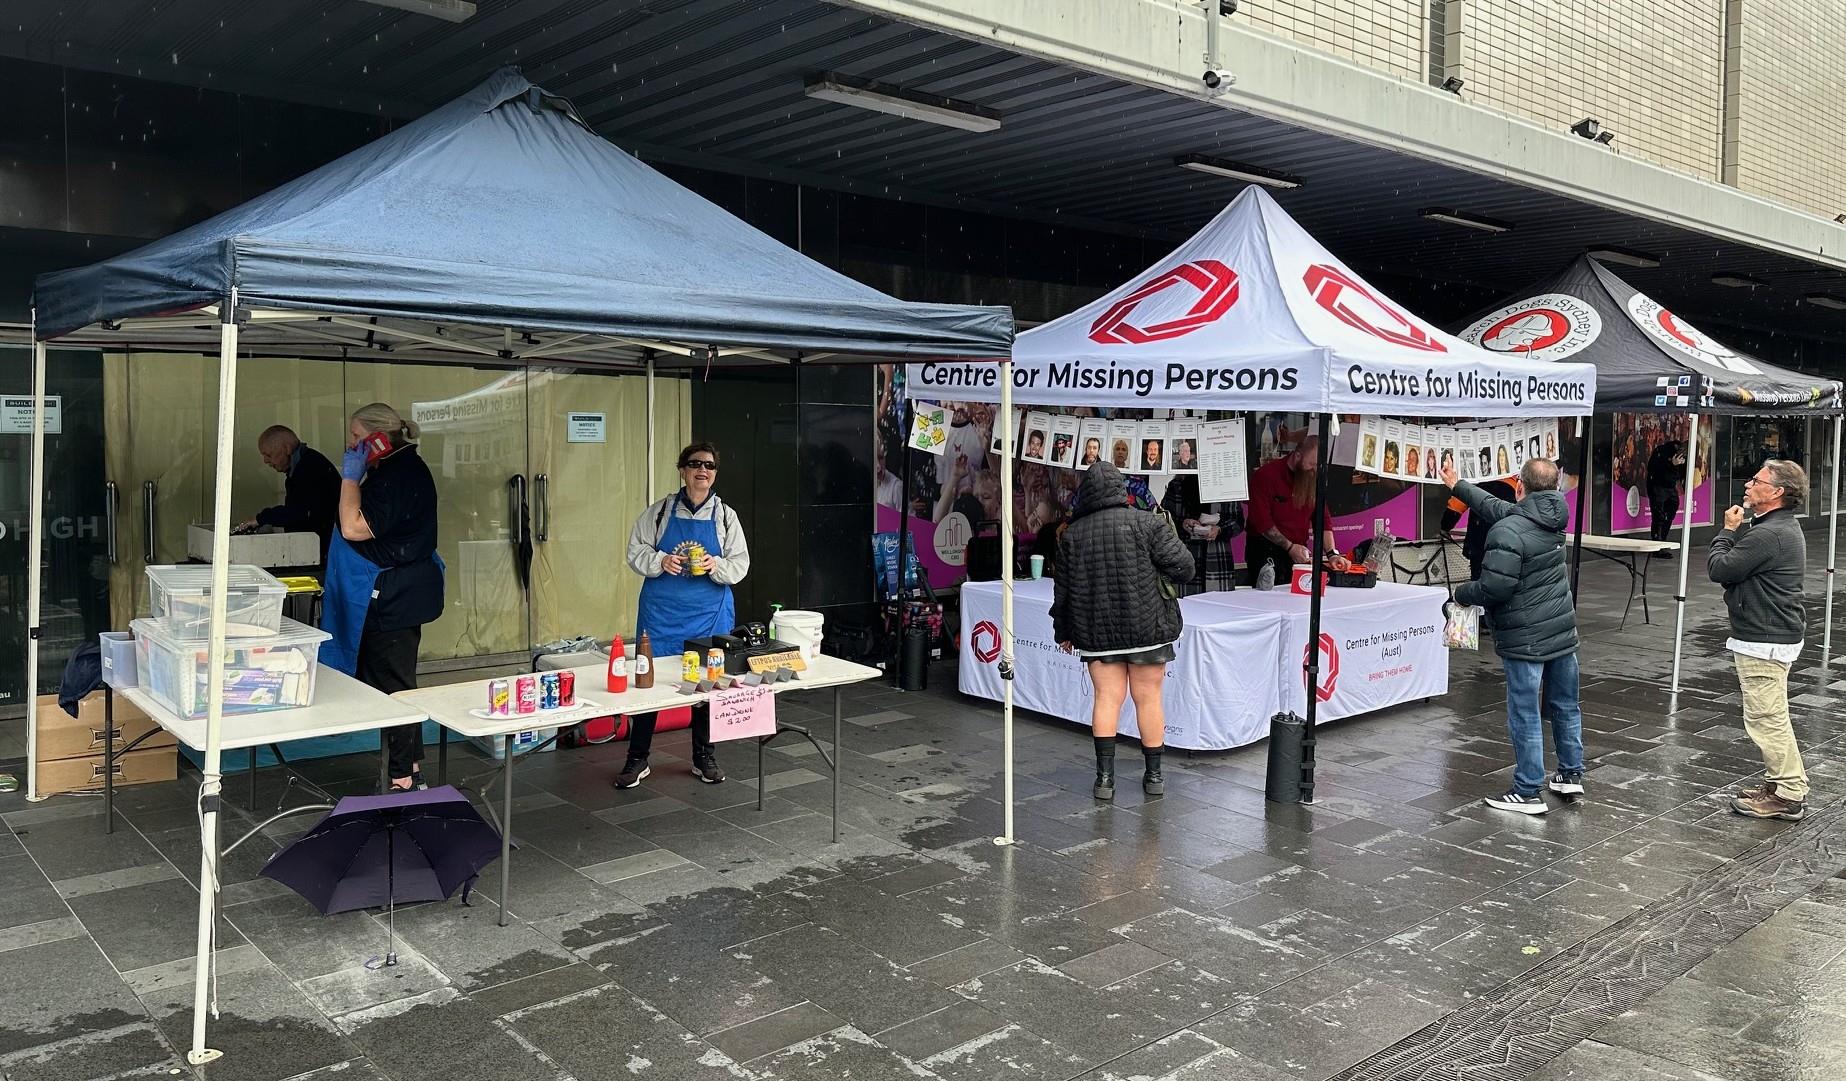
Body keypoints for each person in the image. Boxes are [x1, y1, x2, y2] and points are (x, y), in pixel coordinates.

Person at [1444, 456, 1583, 815]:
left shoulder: (1508, 530)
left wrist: (1462, 594)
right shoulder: (1554, 517)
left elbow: (1494, 587)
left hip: (1526, 637)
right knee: (1565, 705)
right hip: (1561, 631)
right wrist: (1458, 485)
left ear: (1520, 486)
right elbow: (1496, 506)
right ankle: (1570, 774)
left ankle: (1527, 791)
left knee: (1525, 712)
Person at [1050, 464, 1194, 801]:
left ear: (1086, 493)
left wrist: (1063, 632)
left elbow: (1063, 592)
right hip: (1149, 629)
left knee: (1106, 699)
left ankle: (1104, 780)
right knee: (1149, 698)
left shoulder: (1072, 535)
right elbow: (1185, 568)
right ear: (1121, 489)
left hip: (1097, 632)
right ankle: (1154, 776)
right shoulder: (1148, 524)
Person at [326, 404, 444, 792]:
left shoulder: (398, 475)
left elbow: (353, 527)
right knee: (395, 681)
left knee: (394, 687)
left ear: (379, 438)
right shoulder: (393, 470)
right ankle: (411, 764)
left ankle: (402, 779)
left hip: (394, 596)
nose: (351, 445)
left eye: (357, 437)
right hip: (395, 591)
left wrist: (349, 479)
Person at [618, 442, 750, 788]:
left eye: (709, 465)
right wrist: (660, 560)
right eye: (694, 464)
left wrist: (715, 564)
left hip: (709, 614)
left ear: (715, 473)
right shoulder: (659, 512)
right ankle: (637, 758)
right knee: (648, 682)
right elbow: (634, 551)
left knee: (707, 683)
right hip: (661, 614)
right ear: (682, 471)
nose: (702, 470)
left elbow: (740, 563)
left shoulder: (726, 516)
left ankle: (704, 757)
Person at [1709, 460, 1811, 821]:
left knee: (1767, 717)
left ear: (1777, 492)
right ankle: (1780, 783)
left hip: (1765, 636)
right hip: (1771, 632)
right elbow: (1734, 572)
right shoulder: (1775, 528)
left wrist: (1727, 531)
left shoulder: (1769, 533)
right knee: (1770, 713)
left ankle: (1789, 793)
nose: (1748, 485)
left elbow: (1720, 569)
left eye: (1757, 481)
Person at [1245, 436, 1339, 587]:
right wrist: (1289, 547)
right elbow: (1262, 522)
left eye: (1319, 465)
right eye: (1312, 464)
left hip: (1298, 551)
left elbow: (1322, 519)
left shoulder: (1313, 478)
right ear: (1297, 456)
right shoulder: (1266, 475)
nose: (1315, 470)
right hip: (1266, 551)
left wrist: (1332, 553)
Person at [240, 425, 341, 562]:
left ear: (287, 448)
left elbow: (299, 512)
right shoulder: (303, 465)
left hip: (323, 552)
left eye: (268, 455)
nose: (265, 461)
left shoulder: (310, 469)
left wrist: (261, 519)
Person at [1161, 472, 1243, 594]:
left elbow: (1238, 522)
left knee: (1218, 603)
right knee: (1185, 603)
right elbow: (1164, 520)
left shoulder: (1225, 484)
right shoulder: (1177, 485)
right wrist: (1183, 523)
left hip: (1217, 558)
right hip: (1185, 556)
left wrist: (1219, 529)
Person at [1439, 477, 1519, 582]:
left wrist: (1444, 527)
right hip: (1508, 547)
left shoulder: (1473, 482)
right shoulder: (1516, 484)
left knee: (1479, 583)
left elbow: (1454, 509)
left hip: (1479, 545)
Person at [1645, 439, 1687, 542]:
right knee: (1658, 515)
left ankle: (1662, 539)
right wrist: (1671, 463)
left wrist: (1681, 465)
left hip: (1670, 487)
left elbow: (1681, 474)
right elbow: (1653, 469)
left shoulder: (1681, 457)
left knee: (1671, 511)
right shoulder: (1661, 452)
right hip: (1658, 485)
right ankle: (1657, 541)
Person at [874, 440, 904, 510]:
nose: (878, 466)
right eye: (874, 460)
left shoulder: (896, 487)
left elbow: (908, 516)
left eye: (881, 458)